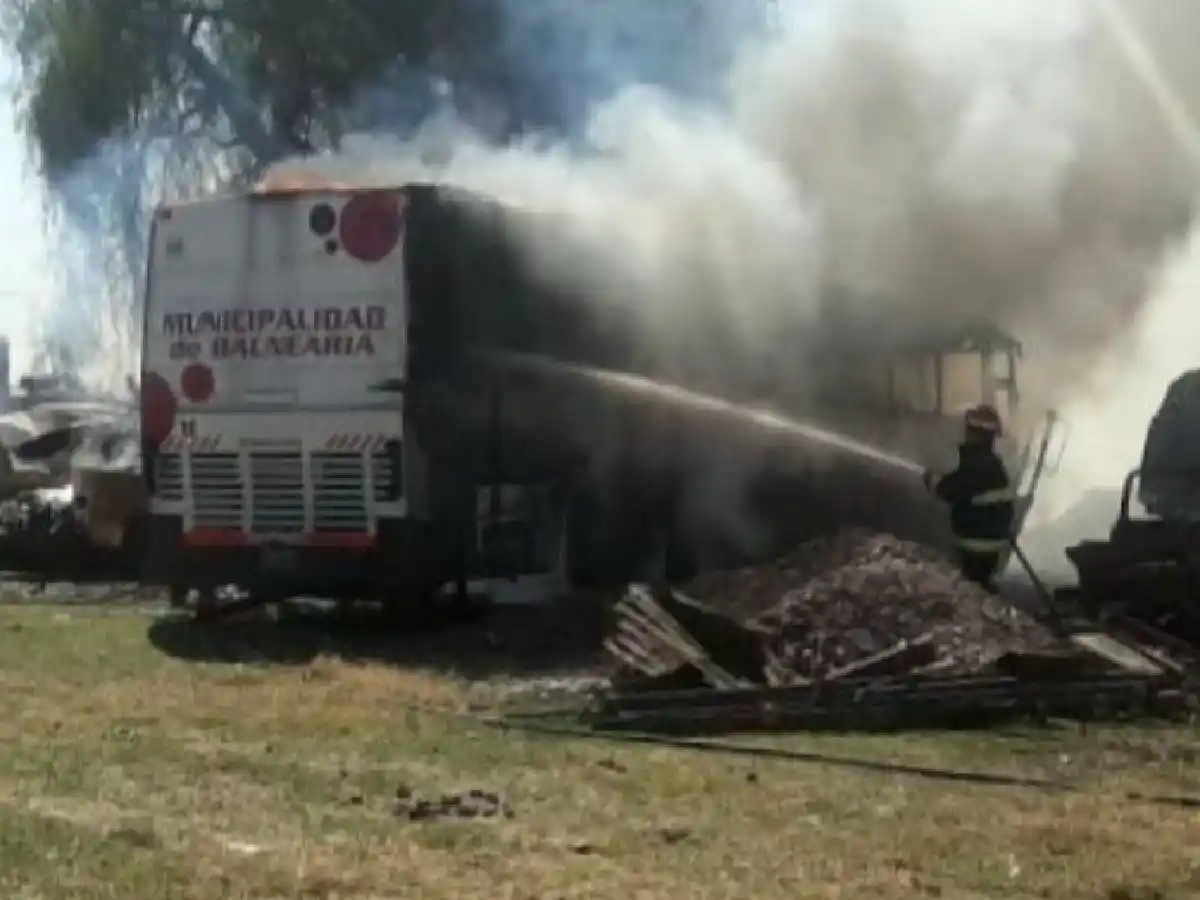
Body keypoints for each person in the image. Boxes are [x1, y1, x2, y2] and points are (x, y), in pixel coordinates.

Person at [923, 404, 1015, 591]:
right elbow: (965, 484)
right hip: (987, 546)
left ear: (977, 434)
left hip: (976, 548)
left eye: (969, 430)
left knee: (971, 590)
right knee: (978, 587)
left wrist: (932, 481)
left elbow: (951, 491)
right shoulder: (990, 465)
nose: (966, 434)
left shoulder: (979, 465)